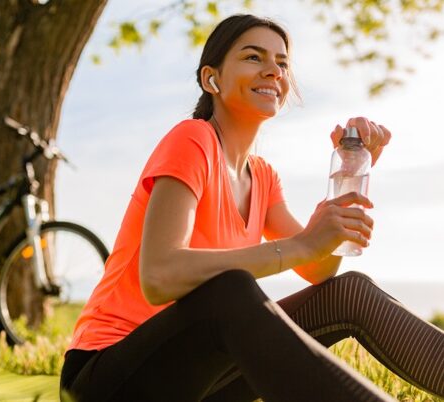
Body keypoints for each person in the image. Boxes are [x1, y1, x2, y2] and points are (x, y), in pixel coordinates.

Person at [60, 14, 444, 402]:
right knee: (231, 288)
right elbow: (160, 276)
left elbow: (319, 267)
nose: (273, 71)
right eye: (253, 57)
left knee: (348, 291)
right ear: (212, 79)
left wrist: (348, 172)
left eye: (282, 63)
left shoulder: (262, 176)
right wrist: (301, 246)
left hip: (201, 382)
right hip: (105, 378)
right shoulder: (192, 140)